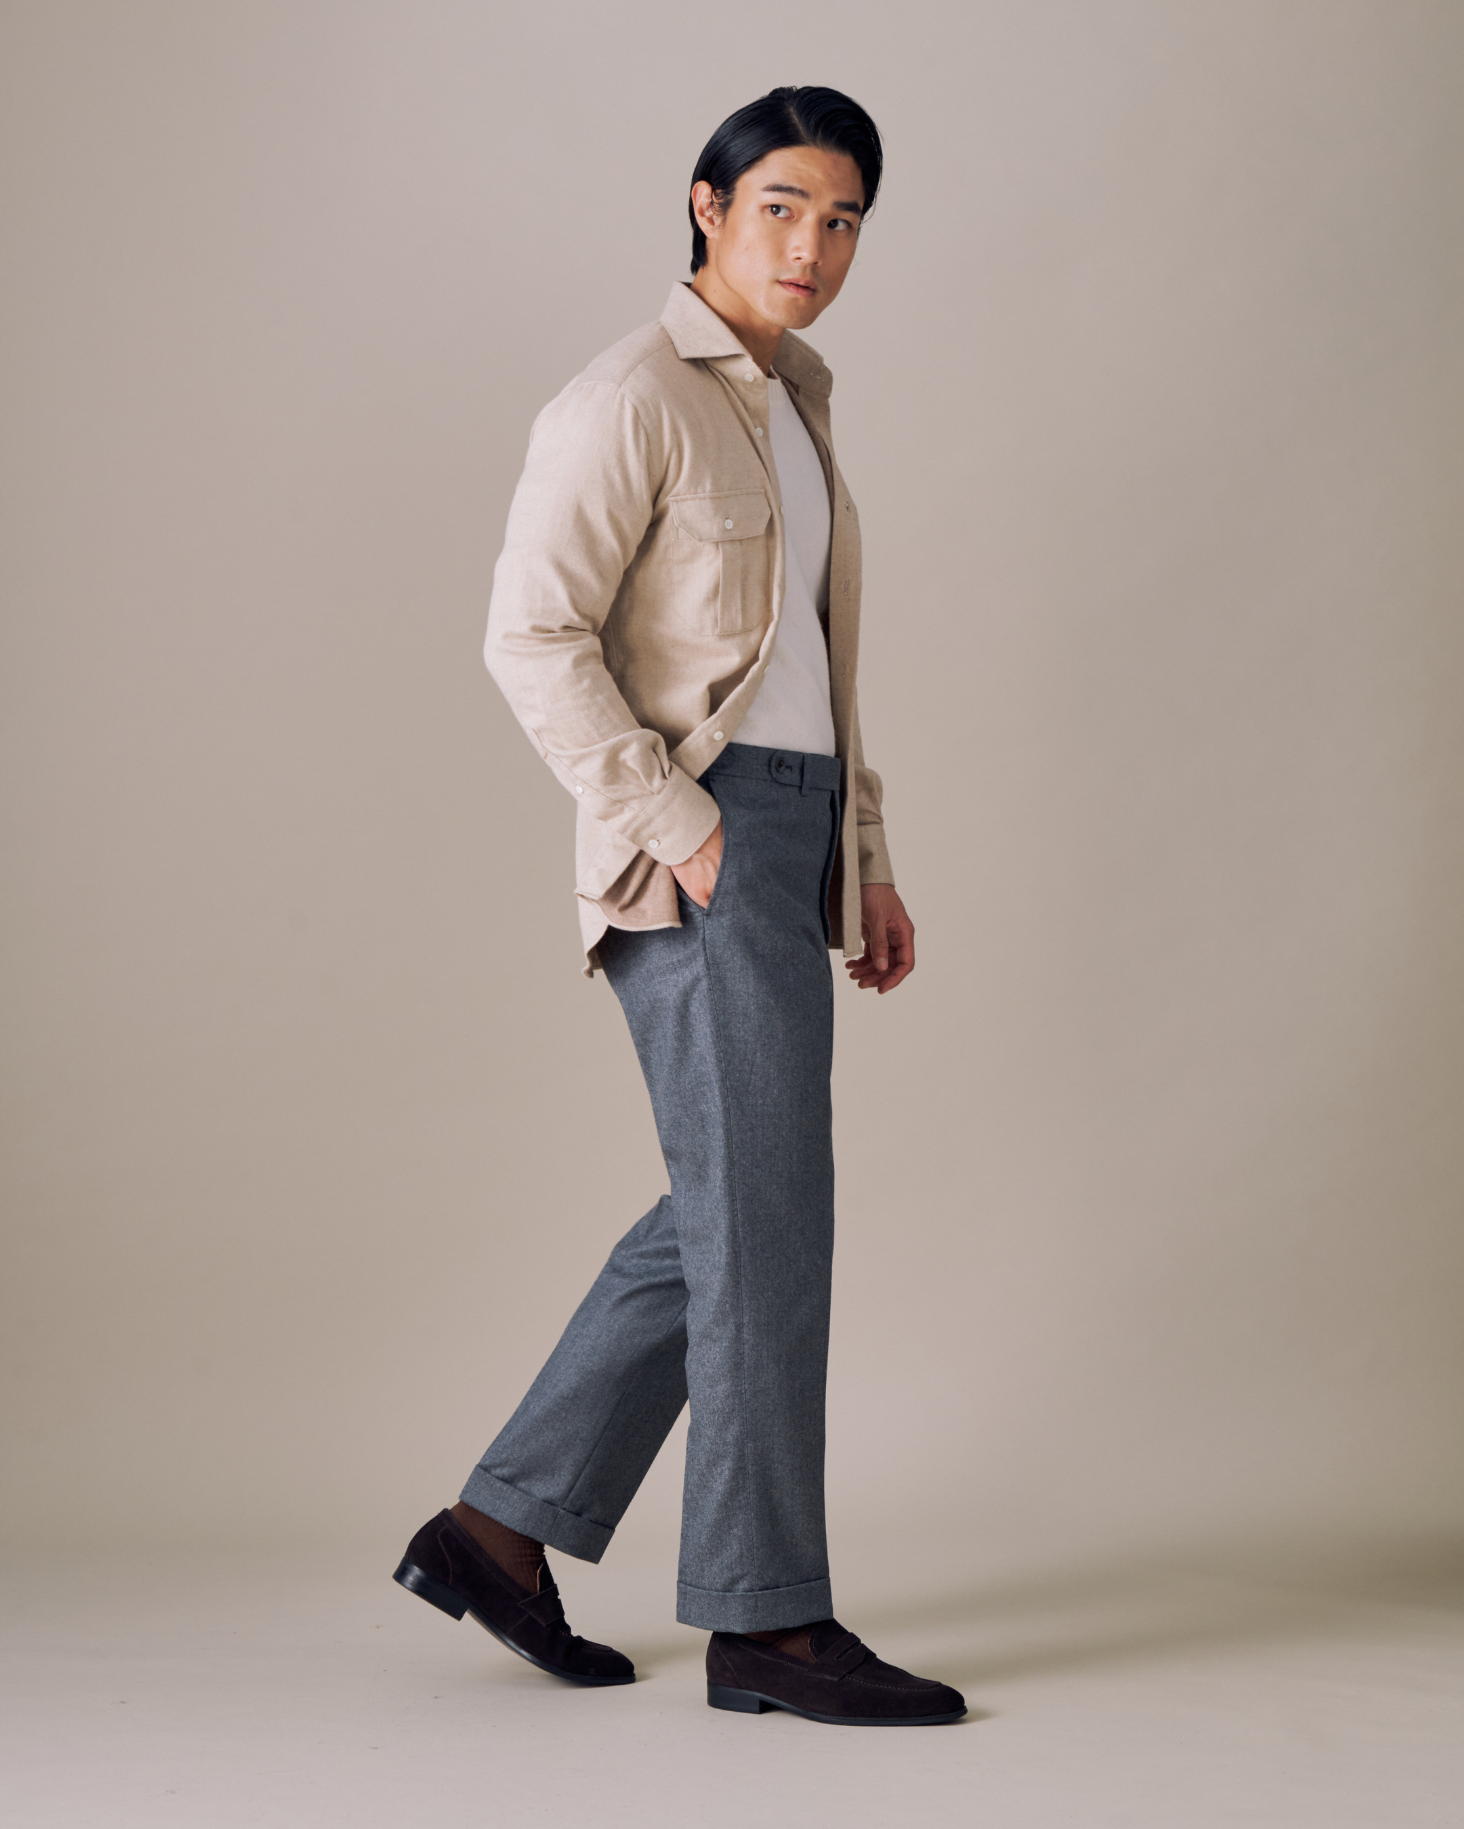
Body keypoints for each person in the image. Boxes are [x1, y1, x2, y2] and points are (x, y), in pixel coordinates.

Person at [394, 85, 965, 1728]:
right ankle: (764, 1620)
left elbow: (809, 673)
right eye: (783, 206)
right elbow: (531, 638)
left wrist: (862, 857)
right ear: (707, 206)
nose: (814, 245)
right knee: (766, 1219)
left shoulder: (798, 403)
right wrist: (680, 827)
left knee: (736, 1207)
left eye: (844, 220)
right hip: (698, 837)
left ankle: (498, 1531)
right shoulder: (627, 395)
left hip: (791, 830)